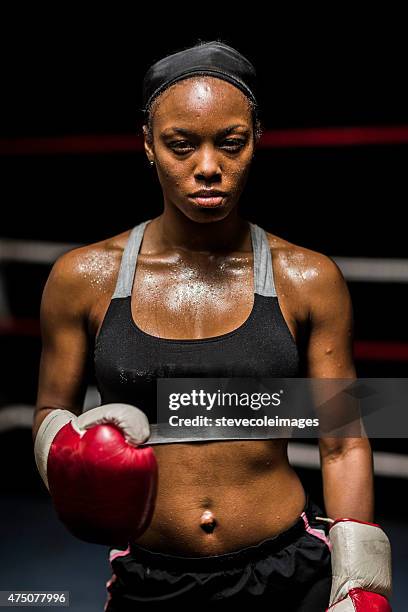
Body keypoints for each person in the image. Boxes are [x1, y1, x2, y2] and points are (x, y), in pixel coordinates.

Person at [33, 40, 389, 611]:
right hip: (152, 577)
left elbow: (343, 442)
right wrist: (71, 451)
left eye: (231, 143)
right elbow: (50, 412)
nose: (207, 167)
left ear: (257, 139)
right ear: (148, 144)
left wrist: (362, 582)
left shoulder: (307, 278)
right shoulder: (84, 277)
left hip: (289, 570)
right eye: (181, 145)